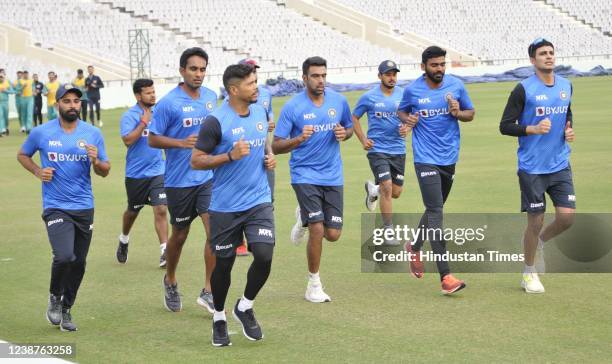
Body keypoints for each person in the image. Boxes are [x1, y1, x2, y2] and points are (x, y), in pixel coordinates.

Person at [192, 63, 276, 347]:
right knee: (223, 266)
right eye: (251, 83)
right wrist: (228, 155)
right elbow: (197, 159)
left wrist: (269, 156)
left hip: (258, 200)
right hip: (225, 207)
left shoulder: (261, 111)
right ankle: (219, 316)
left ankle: (245, 306)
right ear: (233, 89)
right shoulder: (215, 121)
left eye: (256, 82)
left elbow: (264, 143)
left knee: (264, 255)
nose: (256, 87)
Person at [17, 83, 111, 331]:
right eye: (67, 101)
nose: (72, 105)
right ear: (57, 104)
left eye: (76, 101)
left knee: (79, 262)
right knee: (64, 256)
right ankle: (54, 298)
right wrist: (38, 170)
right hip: (56, 206)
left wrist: (96, 161)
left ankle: (67, 309)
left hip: (84, 206)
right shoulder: (42, 132)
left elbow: (105, 171)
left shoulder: (92, 134)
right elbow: (23, 154)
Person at [272, 56, 353, 303]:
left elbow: (349, 127)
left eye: (324, 75)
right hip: (304, 174)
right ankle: (313, 284)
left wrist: (344, 133)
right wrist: (298, 140)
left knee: (333, 234)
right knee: (317, 229)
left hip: (333, 175)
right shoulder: (292, 107)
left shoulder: (338, 101)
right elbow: (276, 146)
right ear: (305, 78)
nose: (321, 80)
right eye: (316, 76)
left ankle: (303, 216)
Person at [500, 38, 575, 294]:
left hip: (560, 163)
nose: (549, 56)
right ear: (533, 60)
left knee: (567, 218)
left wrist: (568, 129)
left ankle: (541, 242)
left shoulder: (566, 85)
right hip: (532, 167)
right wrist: (532, 128)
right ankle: (528, 273)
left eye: (551, 52)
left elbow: (566, 112)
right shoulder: (523, 89)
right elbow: (505, 125)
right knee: (536, 220)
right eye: (543, 53)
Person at [398, 46, 475, 294]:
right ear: (424, 67)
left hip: (449, 157)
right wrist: (407, 119)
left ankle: (414, 246)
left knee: (434, 209)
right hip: (425, 159)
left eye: (442, 64)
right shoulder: (412, 90)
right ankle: (446, 276)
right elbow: (402, 110)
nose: (439, 69)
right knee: (436, 212)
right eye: (434, 65)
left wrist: (457, 112)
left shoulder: (456, 86)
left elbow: (470, 113)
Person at [148, 47, 217, 313]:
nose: (198, 74)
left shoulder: (212, 97)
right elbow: (153, 138)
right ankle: (171, 279)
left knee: (215, 232)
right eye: (193, 69)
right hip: (178, 181)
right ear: (182, 71)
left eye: (202, 69)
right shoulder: (168, 103)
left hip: (207, 177)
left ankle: (208, 290)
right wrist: (180, 143)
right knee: (180, 234)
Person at [223, 58, 276, 256]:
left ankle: (260, 238)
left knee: (268, 198)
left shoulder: (266, 95)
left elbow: (267, 118)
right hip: (240, 157)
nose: (253, 73)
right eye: (249, 70)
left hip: (261, 153)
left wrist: (270, 152)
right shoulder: (230, 104)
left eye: (254, 70)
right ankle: (240, 241)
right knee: (239, 200)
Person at [353, 60, 408, 244]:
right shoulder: (369, 97)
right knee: (387, 187)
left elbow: (412, 117)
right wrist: (363, 140)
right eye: (388, 74)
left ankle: (372, 190)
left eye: (394, 74)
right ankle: (388, 232)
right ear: (380, 76)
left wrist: (407, 128)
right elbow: (354, 117)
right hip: (377, 150)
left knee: (396, 192)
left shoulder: (403, 94)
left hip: (398, 149)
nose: (392, 78)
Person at [116, 79, 168, 267]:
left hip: (158, 171)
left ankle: (165, 251)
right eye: (148, 93)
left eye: (154, 92)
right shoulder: (129, 116)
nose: (153, 95)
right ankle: (124, 239)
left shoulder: (159, 114)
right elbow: (128, 141)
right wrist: (143, 124)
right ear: (138, 96)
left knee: (161, 209)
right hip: (136, 174)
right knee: (132, 212)